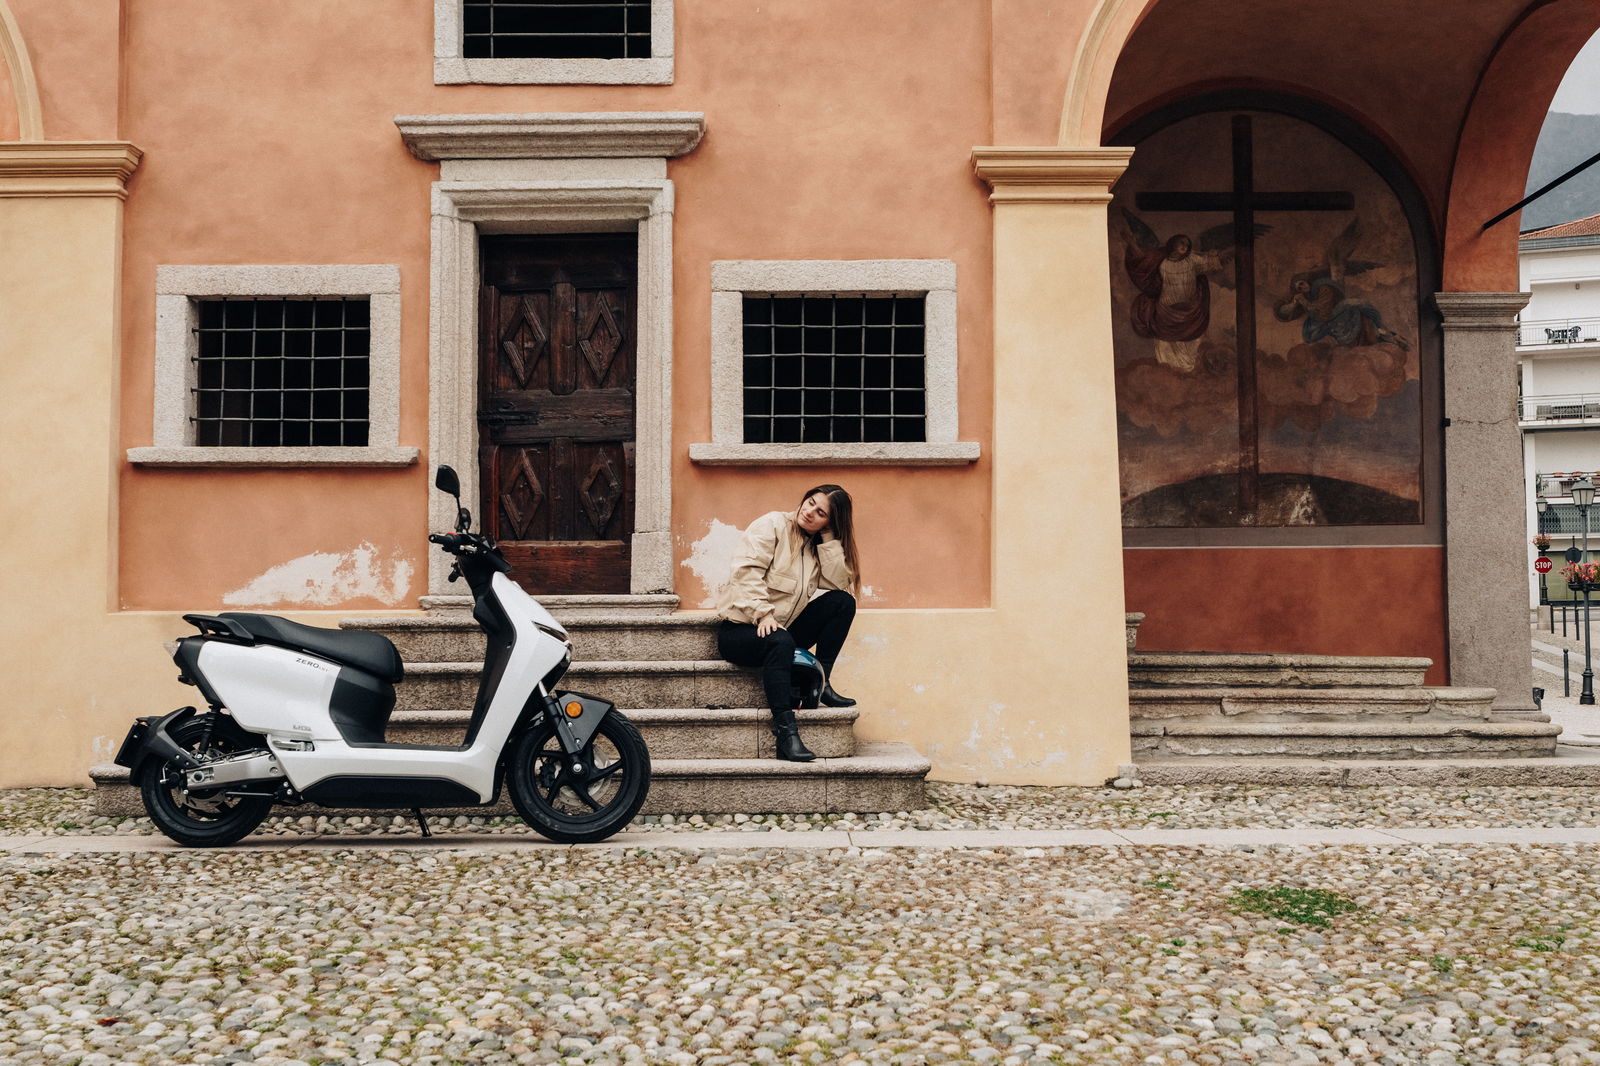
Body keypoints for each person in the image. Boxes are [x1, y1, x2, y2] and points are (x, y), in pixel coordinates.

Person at [716, 485, 861, 762]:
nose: (809, 512)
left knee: (842, 602)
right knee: (780, 641)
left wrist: (828, 539)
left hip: (781, 631)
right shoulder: (772, 525)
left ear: (828, 523)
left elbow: (838, 581)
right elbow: (746, 572)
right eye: (810, 502)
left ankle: (823, 683)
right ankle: (786, 734)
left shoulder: (815, 546)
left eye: (821, 513)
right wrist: (763, 613)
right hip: (741, 631)